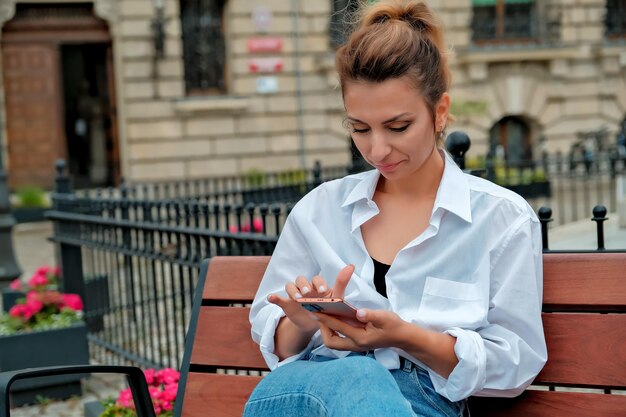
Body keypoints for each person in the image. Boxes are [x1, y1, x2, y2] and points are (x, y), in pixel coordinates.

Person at [245, 1, 547, 416]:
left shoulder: (501, 219)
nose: (377, 149)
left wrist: (403, 337)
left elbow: (515, 366)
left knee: (364, 380)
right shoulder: (319, 210)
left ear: (440, 112)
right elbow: (274, 341)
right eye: (360, 129)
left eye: (398, 127)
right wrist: (303, 321)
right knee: (353, 376)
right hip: (305, 391)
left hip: (420, 401)